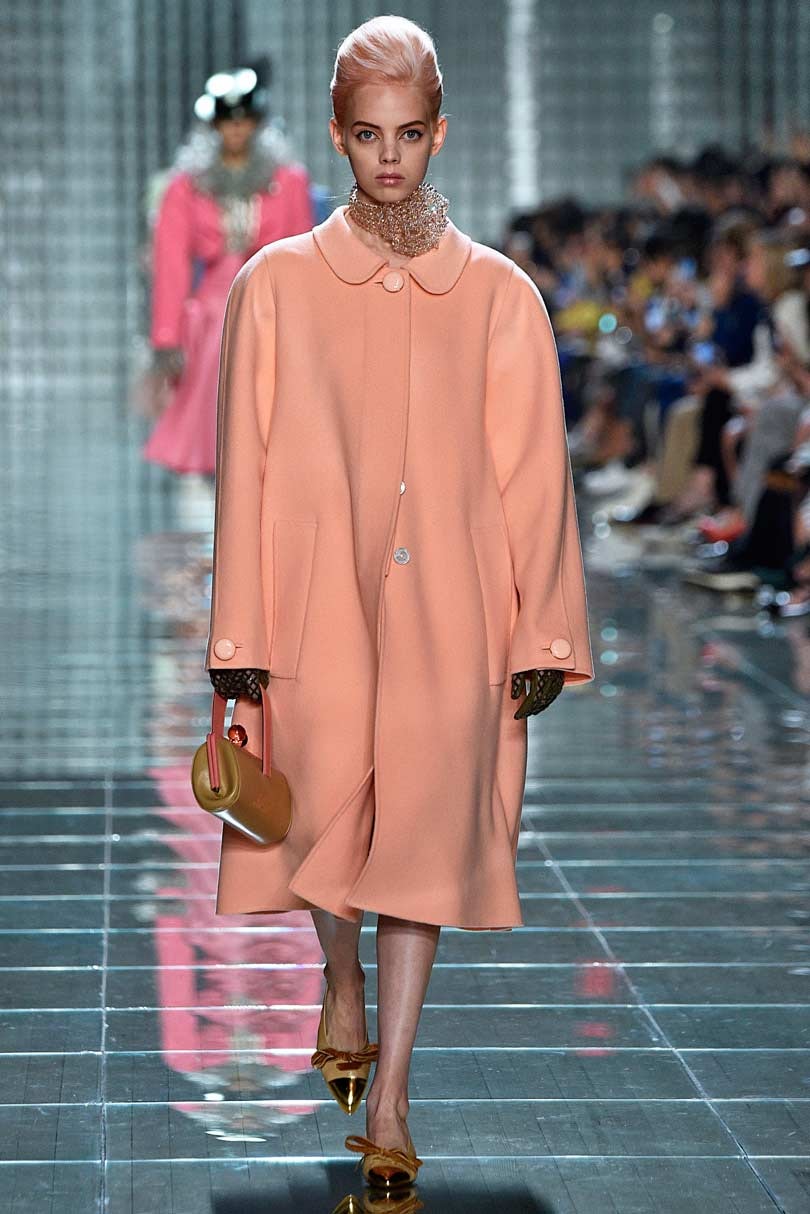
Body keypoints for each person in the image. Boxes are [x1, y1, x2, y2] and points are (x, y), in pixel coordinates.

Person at [203, 15, 594, 1193]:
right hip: (314, 600)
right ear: (337, 134)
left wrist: (543, 629)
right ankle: (341, 979)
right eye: (369, 134)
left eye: (409, 134)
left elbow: (536, 474)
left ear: (439, 134)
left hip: (453, 608)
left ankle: (395, 1094)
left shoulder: (500, 295)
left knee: (420, 833)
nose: (389, 157)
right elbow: (242, 468)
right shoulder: (275, 287)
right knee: (321, 811)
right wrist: (238, 634)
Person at [143, 66, 315, 477]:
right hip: (212, 314)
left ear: (257, 124)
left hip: (272, 304)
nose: (236, 129)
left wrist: (306, 328)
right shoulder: (187, 188)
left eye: (244, 120)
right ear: (214, 126)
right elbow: (170, 265)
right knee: (216, 391)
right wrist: (167, 338)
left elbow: (302, 257)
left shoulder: (288, 182)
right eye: (226, 121)